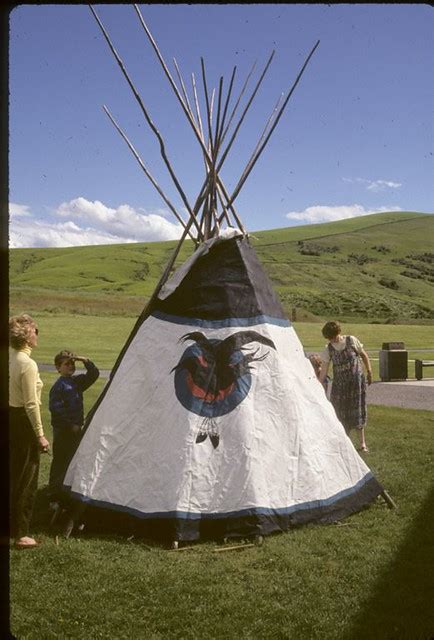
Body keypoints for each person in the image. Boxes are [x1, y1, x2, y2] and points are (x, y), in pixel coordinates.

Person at [9, 314, 50, 549]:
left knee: (13, 475)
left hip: (11, 419)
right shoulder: (27, 364)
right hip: (23, 423)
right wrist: (40, 435)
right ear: (26, 335)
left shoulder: (12, 359)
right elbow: (31, 404)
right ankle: (22, 533)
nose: (37, 334)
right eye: (36, 330)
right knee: (27, 479)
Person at [48, 350, 99, 511]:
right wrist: (71, 425)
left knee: (72, 461)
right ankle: (54, 497)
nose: (70, 366)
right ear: (58, 368)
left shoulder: (76, 382)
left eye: (72, 363)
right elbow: (56, 409)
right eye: (66, 364)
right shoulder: (59, 386)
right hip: (64, 431)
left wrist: (84, 359)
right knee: (60, 462)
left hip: (75, 430)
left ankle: (66, 494)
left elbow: (94, 374)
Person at [319, 321, 373, 452]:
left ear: (338, 332)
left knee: (358, 411)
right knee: (340, 413)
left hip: (356, 384)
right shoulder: (328, 350)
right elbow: (324, 371)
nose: (332, 340)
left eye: (333, 336)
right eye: (329, 338)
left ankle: (362, 444)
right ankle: (344, 443)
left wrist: (369, 371)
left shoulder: (352, 340)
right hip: (340, 387)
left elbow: (364, 355)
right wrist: (318, 384)